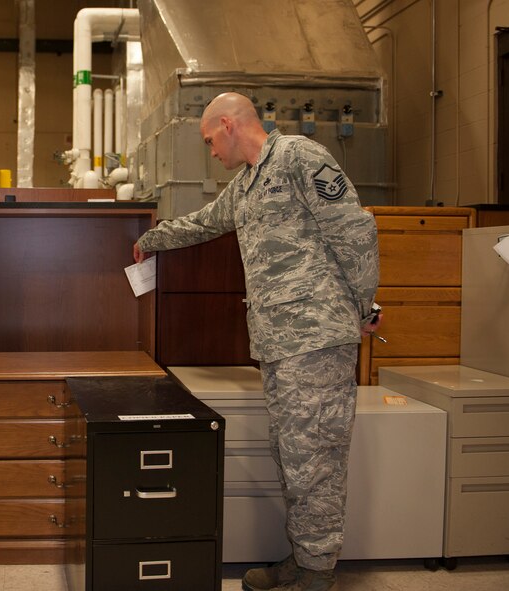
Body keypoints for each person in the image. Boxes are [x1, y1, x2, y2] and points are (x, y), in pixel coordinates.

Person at [133, 92, 381, 591]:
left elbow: (354, 231)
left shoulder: (298, 156)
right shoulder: (246, 183)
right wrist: (151, 238)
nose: (210, 152)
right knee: (293, 457)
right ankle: (304, 559)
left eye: (209, 140)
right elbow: (205, 222)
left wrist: (364, 306)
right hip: (279, 345)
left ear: (228, 124)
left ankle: (317, 573)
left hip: (316, 339)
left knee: (316, 461)